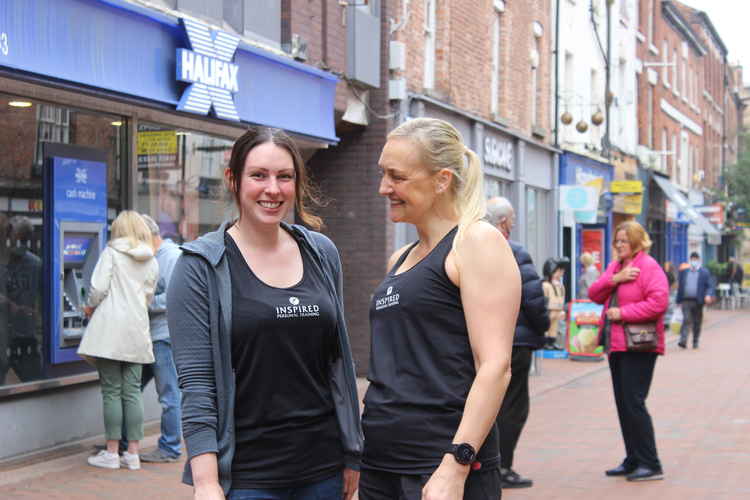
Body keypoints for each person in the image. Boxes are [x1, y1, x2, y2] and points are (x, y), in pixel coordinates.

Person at [167, 127, 362, 500]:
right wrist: (206, 483)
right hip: (247, 478)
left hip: (323, 469)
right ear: (233, 179)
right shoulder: (200, 266)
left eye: (284, 177)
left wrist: (353, 450)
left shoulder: (321, 253)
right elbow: (196, 383)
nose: (272, 189)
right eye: (258, 175)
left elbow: (338, 361)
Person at [359, 118, 521, 500]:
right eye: (383, 175)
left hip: (440, 463)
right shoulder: (400, 258)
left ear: (441, 180)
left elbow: (495, 366)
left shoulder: (477, 241)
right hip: (381, 462)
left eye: (397, 177)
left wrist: (456, 463)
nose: (384, 188)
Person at [588, 220, 668, 482]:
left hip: (640, 345)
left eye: (624, 240)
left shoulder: (648, 266)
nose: (619, 245)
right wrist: (615, 278)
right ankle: (633, 458)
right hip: (618, 345)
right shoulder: (618, 267)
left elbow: (658, 302)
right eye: (617, 241)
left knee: (634, 403)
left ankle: (650, 462)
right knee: (624, 405)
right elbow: (594, 293)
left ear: (636, 241)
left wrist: (623, 313)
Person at [78, 211, 159, 471]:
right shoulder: (151, 259)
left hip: (111, 330)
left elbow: (98, 288)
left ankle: (112, 452)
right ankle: (133, 454)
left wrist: (89, 308)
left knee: (112, 391)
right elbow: (148, 296)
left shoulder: (112, 253)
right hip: (137, 329)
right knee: (132, 392)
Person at [486, 196, 550, 490]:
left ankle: (487, 464)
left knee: (488, 406)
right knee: (513, 407)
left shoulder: (471, 251)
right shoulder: (514, 251)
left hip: (484, 343)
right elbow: (534, 299)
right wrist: (544, 328)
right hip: (515, 342)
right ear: (503, 222)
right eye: (511, 218)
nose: (513, 223)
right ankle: (502, 466)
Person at [133, 213, 183, 463]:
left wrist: (144, 301)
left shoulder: (171, 257)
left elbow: (177, 298)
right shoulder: (151, 257)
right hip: (149, 337)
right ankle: (123, 443)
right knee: (131, 389)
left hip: (164, 336)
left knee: (169, 395)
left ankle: (170, 447)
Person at [676, 252, 715, 349]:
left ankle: (695, 341)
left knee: (697, 322)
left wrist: (708, 295)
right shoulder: (685, 272)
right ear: (690, 260)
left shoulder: (704, 272)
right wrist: (678, 300)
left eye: (695, 259)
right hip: (686, 300)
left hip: (698, 301)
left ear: (699, 260)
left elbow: (710, 286)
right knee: (686, 319)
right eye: (692, 259)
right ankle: (683, 340)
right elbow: (680, 286)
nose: (694, 261)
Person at [542, 258, 567, 349]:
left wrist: (562, 309)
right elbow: (544, 299)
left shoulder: (560, 286)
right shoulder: (546, 285)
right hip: (549, 310)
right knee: (547, 327)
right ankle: (545, 342)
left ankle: (552, 341)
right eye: (558, 271)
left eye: (561, 271)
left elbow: (562, 298)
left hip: (557, 310)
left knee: (554, 327)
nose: (560, 274)